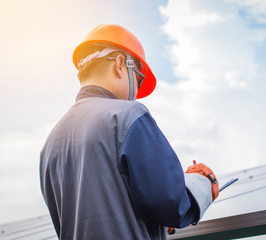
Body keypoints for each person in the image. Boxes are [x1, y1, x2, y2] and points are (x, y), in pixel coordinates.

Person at [39, 24, 219, 240]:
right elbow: (171, 205)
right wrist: (203, 183)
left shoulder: (51, 143)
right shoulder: (128, 116)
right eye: (138, 78)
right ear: (120, 63)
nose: (137, 89)